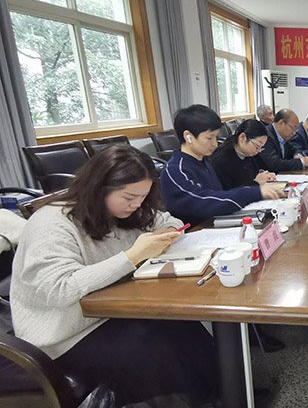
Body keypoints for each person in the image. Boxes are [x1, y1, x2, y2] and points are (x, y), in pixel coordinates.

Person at [11, 145, 218, 406]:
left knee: (183, 325)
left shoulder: (127, 210)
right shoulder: (53, 222)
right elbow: (58, 288)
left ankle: (222, 394)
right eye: (129, 196)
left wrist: (165, 231)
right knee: (152, 350)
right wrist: (131, 256)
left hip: (108, 313)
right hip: (63, 334)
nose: (137, 204)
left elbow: (168, 220)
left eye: (143, 196)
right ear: (100, 187)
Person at [160, 104, 283, 226]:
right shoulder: (176, 170)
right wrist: (254, 192)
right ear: (188, 136)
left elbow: (220, 194)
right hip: (195, 231)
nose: (215, 143)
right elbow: (204, 201)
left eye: (215, 137)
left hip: (216, 224)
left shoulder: (203, 162)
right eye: (210, 138)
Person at [209, 119, 277, 190]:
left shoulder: (248, 153)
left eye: (261, 147)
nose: (259, 151)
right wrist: (256, 183)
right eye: (257, 146)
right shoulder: (221, 160)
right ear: (242, 138)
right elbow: (229, 192)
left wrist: (265, 176)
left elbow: (253, 175)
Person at [255, 108, 308, 172]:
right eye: (293, 128)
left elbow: (295, 150)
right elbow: (275, 164)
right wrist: (302, 162)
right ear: (281, 123)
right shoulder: (266, 136)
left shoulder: (284, 136)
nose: (294, 133)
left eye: (296, 130)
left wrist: (298, 155)